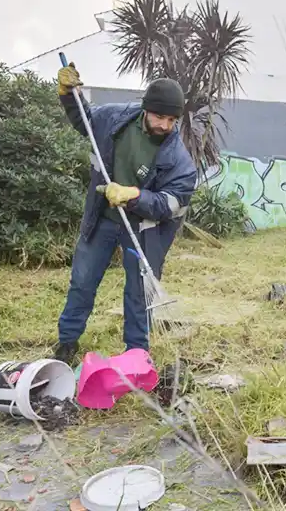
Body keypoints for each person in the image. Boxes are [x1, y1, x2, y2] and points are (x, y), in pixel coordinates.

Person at [52, 63, 198, 364]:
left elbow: (169, 205)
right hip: (102, 219)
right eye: (159, 116)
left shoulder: (180, 162)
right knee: (82, 281)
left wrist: (135, 195)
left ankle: (136, 354)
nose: (165, 125)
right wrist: (68, 95)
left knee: (138, 294)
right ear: (146, 109)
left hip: (144, 231)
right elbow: (84, 121)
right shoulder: (116, 119)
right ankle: (66, 344)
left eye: (172, 120)